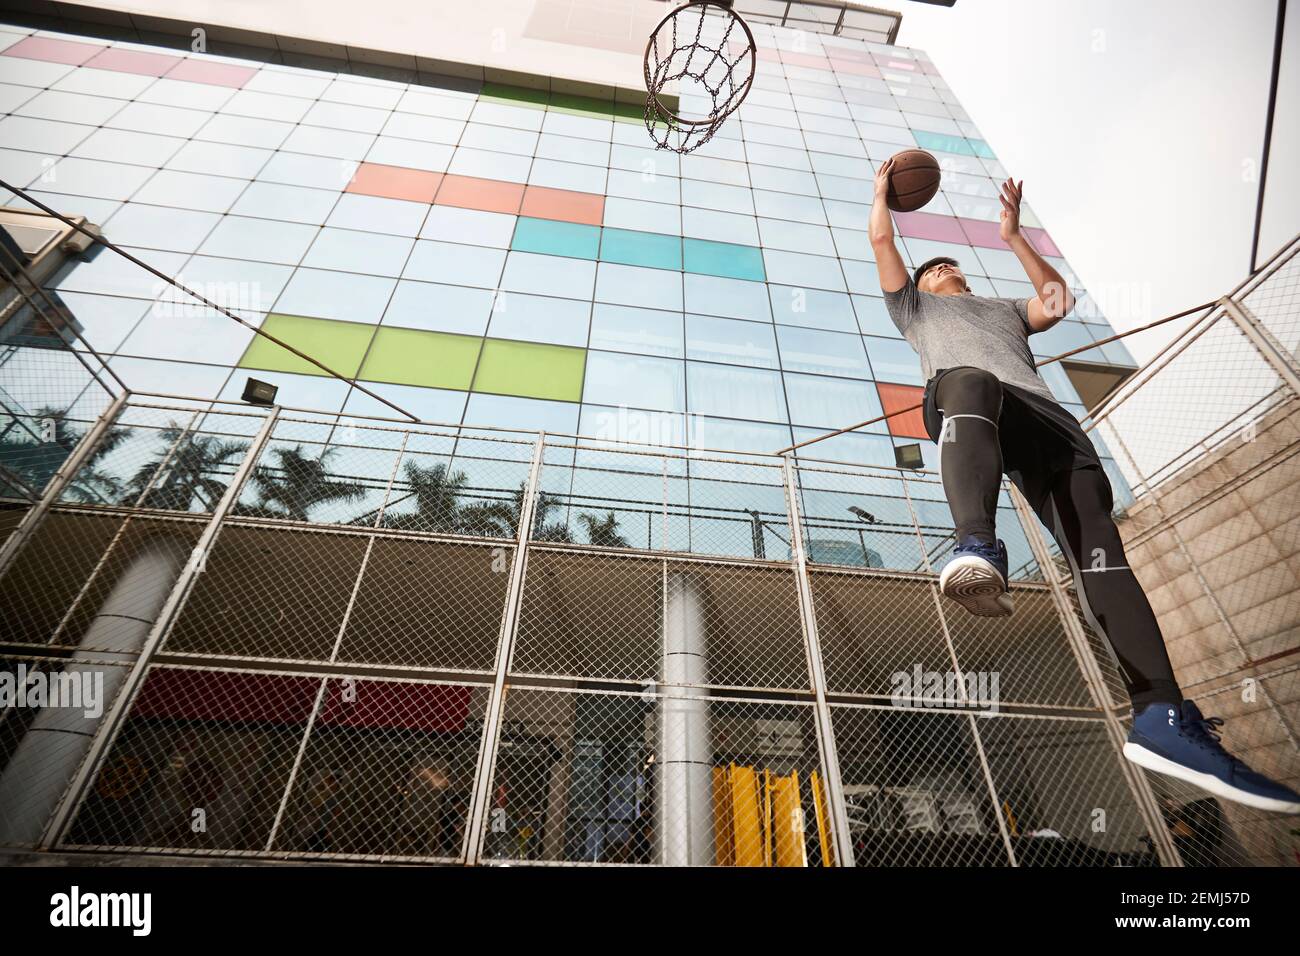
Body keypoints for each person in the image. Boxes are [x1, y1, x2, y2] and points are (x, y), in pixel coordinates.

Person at [867, 157, 1300, 815]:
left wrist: (1015, 236)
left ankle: (1161, 715)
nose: (943, 268)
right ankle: (977, 545)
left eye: (950, 263)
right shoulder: (915, 310)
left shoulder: (1002, 308)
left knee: (1100, 550)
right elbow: (882, 240)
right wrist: (882, 194)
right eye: (933, 267)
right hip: (968, 404)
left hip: (1045, 418)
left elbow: (1055, 302)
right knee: (970, 381)